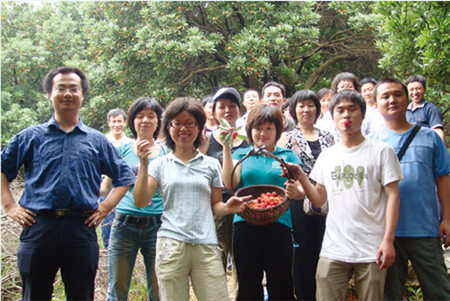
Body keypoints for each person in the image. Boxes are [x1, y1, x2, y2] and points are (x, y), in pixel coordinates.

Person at [0, 66, 135, 301]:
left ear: (83, 95)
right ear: (49, 94)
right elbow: (3, 168)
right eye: (60, 88)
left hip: (80, 229)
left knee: (82, 295)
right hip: (38, 227)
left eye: (74, 88)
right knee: (34, 295)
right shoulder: (31, 136)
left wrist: (105, 206)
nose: (68, 94)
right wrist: (10, 205)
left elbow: (124, 177)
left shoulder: (96, 140)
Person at [281, 90, 402, 300]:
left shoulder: (382, 151)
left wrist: (388, 240)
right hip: (333, 248)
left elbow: (393, 196)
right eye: (340, 110)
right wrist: (301, 175)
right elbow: (319, 199)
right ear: (332, 116)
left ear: (363, 114)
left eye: (352, 109)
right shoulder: (328, 155)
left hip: (372, 248)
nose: (346, 115)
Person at [133, 97, 250, 301]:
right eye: (177, 123)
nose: (183, 129)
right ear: (168, 127)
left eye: (190, 123)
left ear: (199, 128)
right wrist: (143, 164)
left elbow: (216, 206)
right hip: (171, 245)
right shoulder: (159, 164)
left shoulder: (211, 164)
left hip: (206, 245)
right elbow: (141, 201)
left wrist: (228, 207)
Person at [370, 78, 450, 301]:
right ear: (376, 104)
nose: (392, 100)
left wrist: (447, 219)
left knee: (439, 291)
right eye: (385, 96)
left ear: (408, 99)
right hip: (387, 234)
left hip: (425, 230)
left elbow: (443, 177)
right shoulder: (371, 142)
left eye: (397, 94)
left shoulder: (430, 137)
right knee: (390, 294)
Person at [222, 104, 302, 300]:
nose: (263, 133)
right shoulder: (241, 155)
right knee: (248, 285)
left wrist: (295, 191)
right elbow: (229, 182)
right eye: (258, 128)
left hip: (279, 225)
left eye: (269, 128)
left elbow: (300, 190)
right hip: (245, 225)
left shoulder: (287, 156)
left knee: (281, 284)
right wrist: (226, 147)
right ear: (250, 131)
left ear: (277, 131)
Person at [101, 98, 167, 301]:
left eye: (151, 116)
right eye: (140, 116)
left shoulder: (167, 153)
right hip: (124, 224)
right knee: (117, 291)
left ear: (158, 122)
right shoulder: (121, 151)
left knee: (158, 291)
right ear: (132, 121)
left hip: (158, 226)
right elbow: (106, 187)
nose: (145, 120)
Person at [278, 90, 334, 300]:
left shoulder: (329, 137)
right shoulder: (286, 138)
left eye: (311, 105)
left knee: (325, 252)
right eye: (301, 105)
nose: (306, 109)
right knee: (302, 256)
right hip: (298, 204)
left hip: (327, 202)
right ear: (293, 111)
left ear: (318, 109)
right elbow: (280, 170)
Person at [201, 87, 249, 271]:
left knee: (243, 259)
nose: (227, 110)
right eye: (221, 106)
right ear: (213, 112)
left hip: (244, 207)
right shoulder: (206, 140)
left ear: (239, 110)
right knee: (215, 258)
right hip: (215, 206)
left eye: (232, 106)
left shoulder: (247, 140)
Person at [101, 108, 135, 249]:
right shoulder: (102, 140)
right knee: (106, 220)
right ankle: (108, 249)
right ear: (109, 123)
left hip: (123, 186)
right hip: (105, 184)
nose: (117, 125)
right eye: (114, 121)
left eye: (119, 121)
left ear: (125, 123)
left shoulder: (130, 143)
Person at [405, 75, 446, 143]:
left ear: (424, 89)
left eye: (418, 88)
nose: (415, 92)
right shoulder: (404, 110)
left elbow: (438, 131)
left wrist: (442, 152)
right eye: (411, 89)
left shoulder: (430, 108)